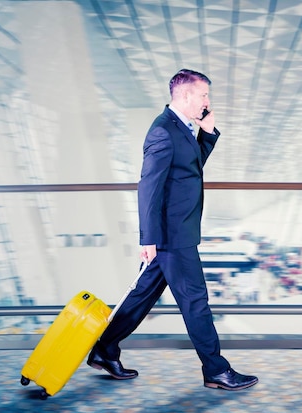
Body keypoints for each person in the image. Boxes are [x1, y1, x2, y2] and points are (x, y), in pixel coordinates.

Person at [87, 69, 258, 391]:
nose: (208, 101)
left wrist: (207, 134)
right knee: (196, 301)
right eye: (204, 95)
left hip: (175, 232)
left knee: (140, 297)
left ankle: (104, 349)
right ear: (185, 96)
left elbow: (189, 170)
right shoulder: (163, 132)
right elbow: (148, 187)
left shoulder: (182, 129)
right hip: (171, 236)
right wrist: (149, 239)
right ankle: (216, 370)